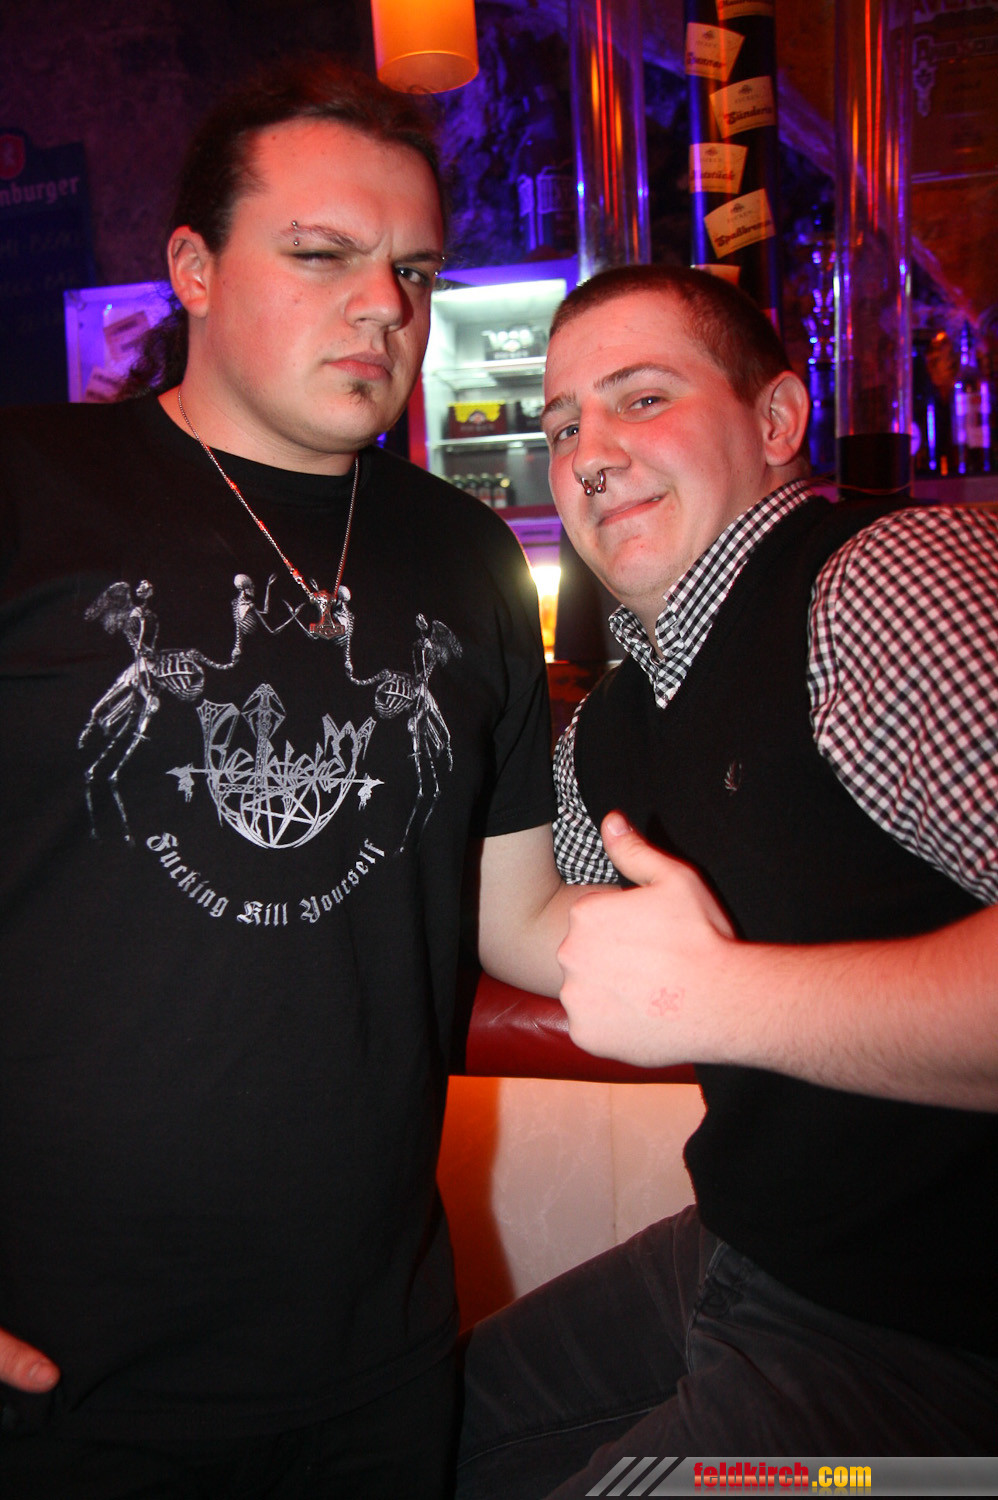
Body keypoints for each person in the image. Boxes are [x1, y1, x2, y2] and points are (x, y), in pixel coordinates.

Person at [0, 57, 573, 1499]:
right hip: (58, 1377)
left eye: (412, 270)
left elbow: (519, 919)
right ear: (191, 268)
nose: (384, 307)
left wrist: (828, 953)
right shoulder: (27, 487)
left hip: (373, 1360)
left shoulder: (466, 554)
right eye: (322, 255)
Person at [457, 265, 998, 1495]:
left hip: (947, 1343)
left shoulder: (885, 580)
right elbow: (525, 916)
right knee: (413, 1436)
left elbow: (692, 989)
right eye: (560, 426)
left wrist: (722, 1000)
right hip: (754, 1252)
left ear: (775, 420)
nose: (589, 454)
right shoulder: (619, 721)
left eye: (641, 399)